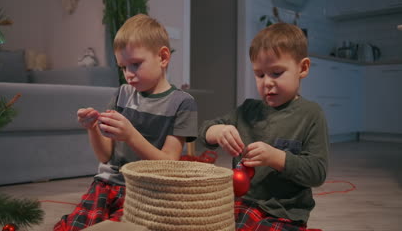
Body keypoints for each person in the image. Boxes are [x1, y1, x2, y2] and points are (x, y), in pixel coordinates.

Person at [54, 14, 198, 231]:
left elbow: (169, 164)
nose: (128, 75)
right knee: (76, 225)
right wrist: (92, 128)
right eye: (123, 67)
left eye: (135, 64)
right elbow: (105, 156)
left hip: (146, 192)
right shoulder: (121, 94)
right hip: (107, 184)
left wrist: (131, 136)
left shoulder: (182, 103)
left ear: (163, 57)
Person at [198, 22, 329, 231]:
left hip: (285, 214)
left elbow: (317, 172)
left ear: (302, 68)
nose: (267, 82)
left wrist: (276, 158)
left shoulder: (311, 114)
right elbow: (204, 131)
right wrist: (218, 132)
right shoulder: (247, 110)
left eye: (276, 73)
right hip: (242, 204)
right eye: (260, 75)